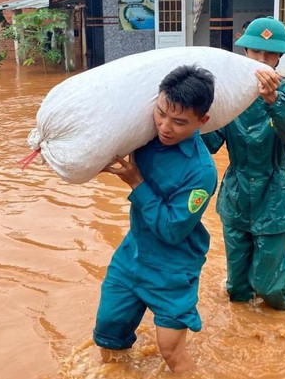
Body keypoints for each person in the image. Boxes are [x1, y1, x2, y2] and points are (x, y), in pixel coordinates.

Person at [93, 65, 218, 373]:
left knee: (171, 352)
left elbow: (171, 230)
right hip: (132, 255)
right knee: (109, 339)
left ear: (202, 122)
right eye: (161, 113)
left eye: (179, 122)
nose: (165, 126)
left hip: (173, 268)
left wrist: (136, 182)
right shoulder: (142, 136)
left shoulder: (201, 173)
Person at [202, 17, 285, 311]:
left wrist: (274, 100)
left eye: (269, 55)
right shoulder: (229, 94)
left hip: (276, 197)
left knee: (271, 290)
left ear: (279, 57)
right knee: (236, 289)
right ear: (245, 53)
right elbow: (209, 143)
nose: (262, 60)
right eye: (256, 53)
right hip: (237, 195)